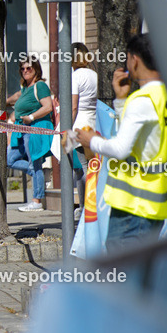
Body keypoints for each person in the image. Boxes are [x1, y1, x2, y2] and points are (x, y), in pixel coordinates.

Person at [76, 34, 167, 253]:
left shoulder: (142, 99)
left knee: (124, 277)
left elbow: (121, 149)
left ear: (134, 60)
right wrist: (122, 100)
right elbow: (143, 140)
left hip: (133, 205)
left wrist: (91, 140)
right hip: (158, 203)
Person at [5, 55, 54, 212]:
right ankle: (38, 174)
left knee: (35, 162)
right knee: (9, 159)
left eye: (29, 68)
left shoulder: (39, 86)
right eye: (22, 68)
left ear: (36, 70)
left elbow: (48, 107)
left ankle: (37, 201)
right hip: (21, 131)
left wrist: (31, 117)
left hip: (35, 128)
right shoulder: (25, 88)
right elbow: (15, 98)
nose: (25, 71)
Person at [68, 42, 98, 217]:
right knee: (92, 166)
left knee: (82, 168)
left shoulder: (75, 76)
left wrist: (67, 130)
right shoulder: (94, 75)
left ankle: (86, 206)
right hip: (94, 124)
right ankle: (89, 204)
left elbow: (73, 107)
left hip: (79, 125)